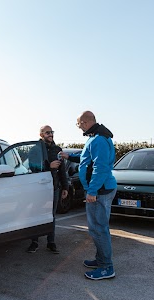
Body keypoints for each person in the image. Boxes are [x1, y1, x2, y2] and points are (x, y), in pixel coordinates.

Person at [60, 111, 117, 280]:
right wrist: (69, 156)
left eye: (79, 124)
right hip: (99, 189)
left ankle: (107, 267)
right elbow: (86, 158)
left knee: (99, 229)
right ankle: (101, 260)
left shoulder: (99, 139)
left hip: (100, 190)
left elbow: (100, 167)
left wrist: (92, 191)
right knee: (97, 228)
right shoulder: (95, 137)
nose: (78, 127)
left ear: (85, 122)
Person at [27, 125, 69, 254]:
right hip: (39, 188)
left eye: (52, 132)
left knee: (51, 215)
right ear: (41, 135)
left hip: (54, 187)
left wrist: (65, 187)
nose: (51, 134)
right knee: (36, 214)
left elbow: (62, 170)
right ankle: (34, 242)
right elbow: (32, 168)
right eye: (47, 132)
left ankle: (51, 242)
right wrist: (48, 166)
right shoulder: (34, 150)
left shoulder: (57, 150)